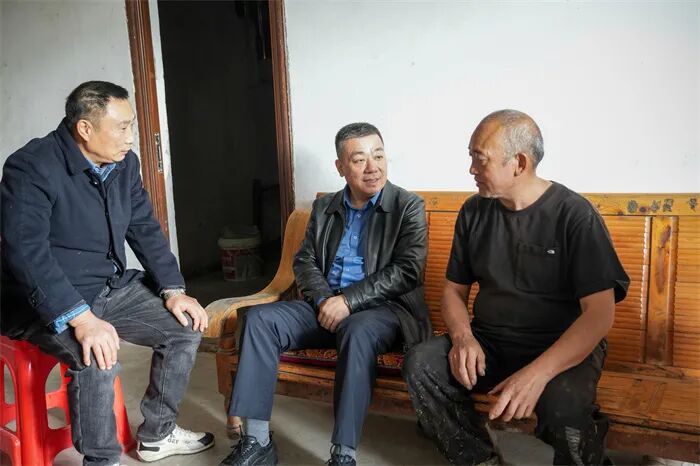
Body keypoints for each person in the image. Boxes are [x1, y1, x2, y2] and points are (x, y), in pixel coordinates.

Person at [1, 81, 214, 465]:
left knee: (183, 327)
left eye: (131, 126)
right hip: (42, 298)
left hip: (105, 285)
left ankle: (157, 435)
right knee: (98, 353)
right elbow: (26, 253)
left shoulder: (123, 164)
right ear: (85, 128)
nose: (130, 138)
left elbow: (144, 227)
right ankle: (102, 459)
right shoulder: (32, 166)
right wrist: (81, 318)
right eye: (122, 127)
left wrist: (173, 289)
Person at [402, 110, 629, 466]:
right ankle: (481, 460)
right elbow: (453, 292)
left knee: (564, 407)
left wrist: (538, 374)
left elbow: (600, 315)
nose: (471, 169)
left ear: (519, 163)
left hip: (559, 347)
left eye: (481, 159)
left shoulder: (575, 215)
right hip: (490, 342)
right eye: (471, 157)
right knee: (421, 364)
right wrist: (463, 337)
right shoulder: (473, 211)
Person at [219, 122, 430, 466]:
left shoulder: (408, 207)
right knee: (259, 320)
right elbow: (304, 260)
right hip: (324, 305)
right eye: (359, 159)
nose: (373, 167)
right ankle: (257, 443)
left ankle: (343, 454)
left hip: (381, 311)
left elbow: (408, 270)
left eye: (378, 156)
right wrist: (324, 301)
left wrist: (348, 302)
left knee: (356, 329)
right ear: (340, 167)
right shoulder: (325, 207)